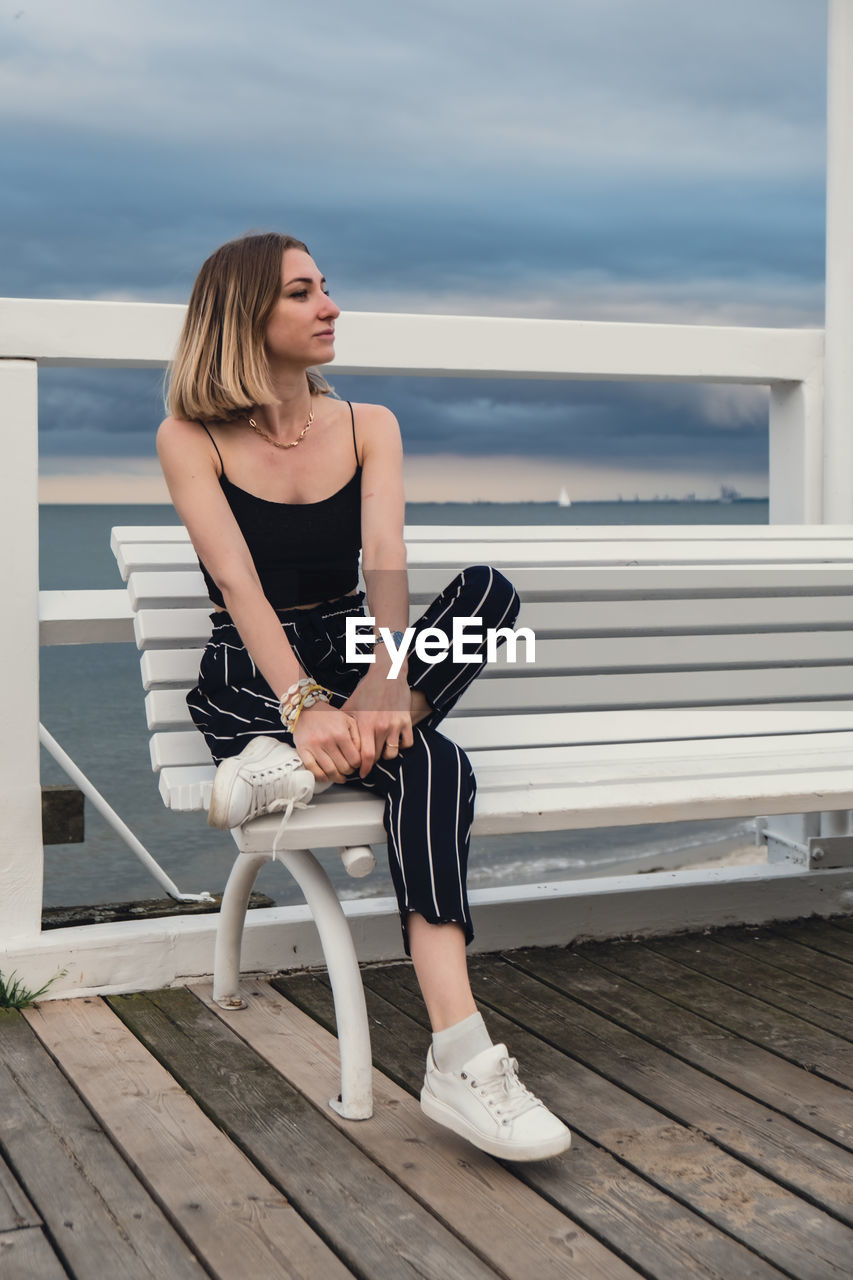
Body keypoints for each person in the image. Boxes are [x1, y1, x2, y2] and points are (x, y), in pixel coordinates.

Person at [157, 231, 571, 1162]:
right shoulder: (190, 437)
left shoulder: (368, 423)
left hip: (355, 649)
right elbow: (239, 587)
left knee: (488, 596)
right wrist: (304, 703)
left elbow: (384, 557)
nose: (330, 306)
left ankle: (296, 774)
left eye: (326, 288)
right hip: (254, 671)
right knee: (439, 766)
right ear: (244, 318)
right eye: (303, 293)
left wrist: (386, 674)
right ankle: (465, 1056)